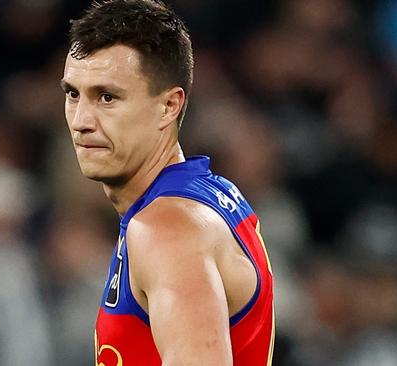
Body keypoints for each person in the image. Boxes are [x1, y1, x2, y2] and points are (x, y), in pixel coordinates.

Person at [60, 0, 274, 364]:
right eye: (73, 94)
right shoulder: (204, 196)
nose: (81, 120)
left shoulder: (166, 230)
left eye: (107, 97)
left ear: (169, 106)